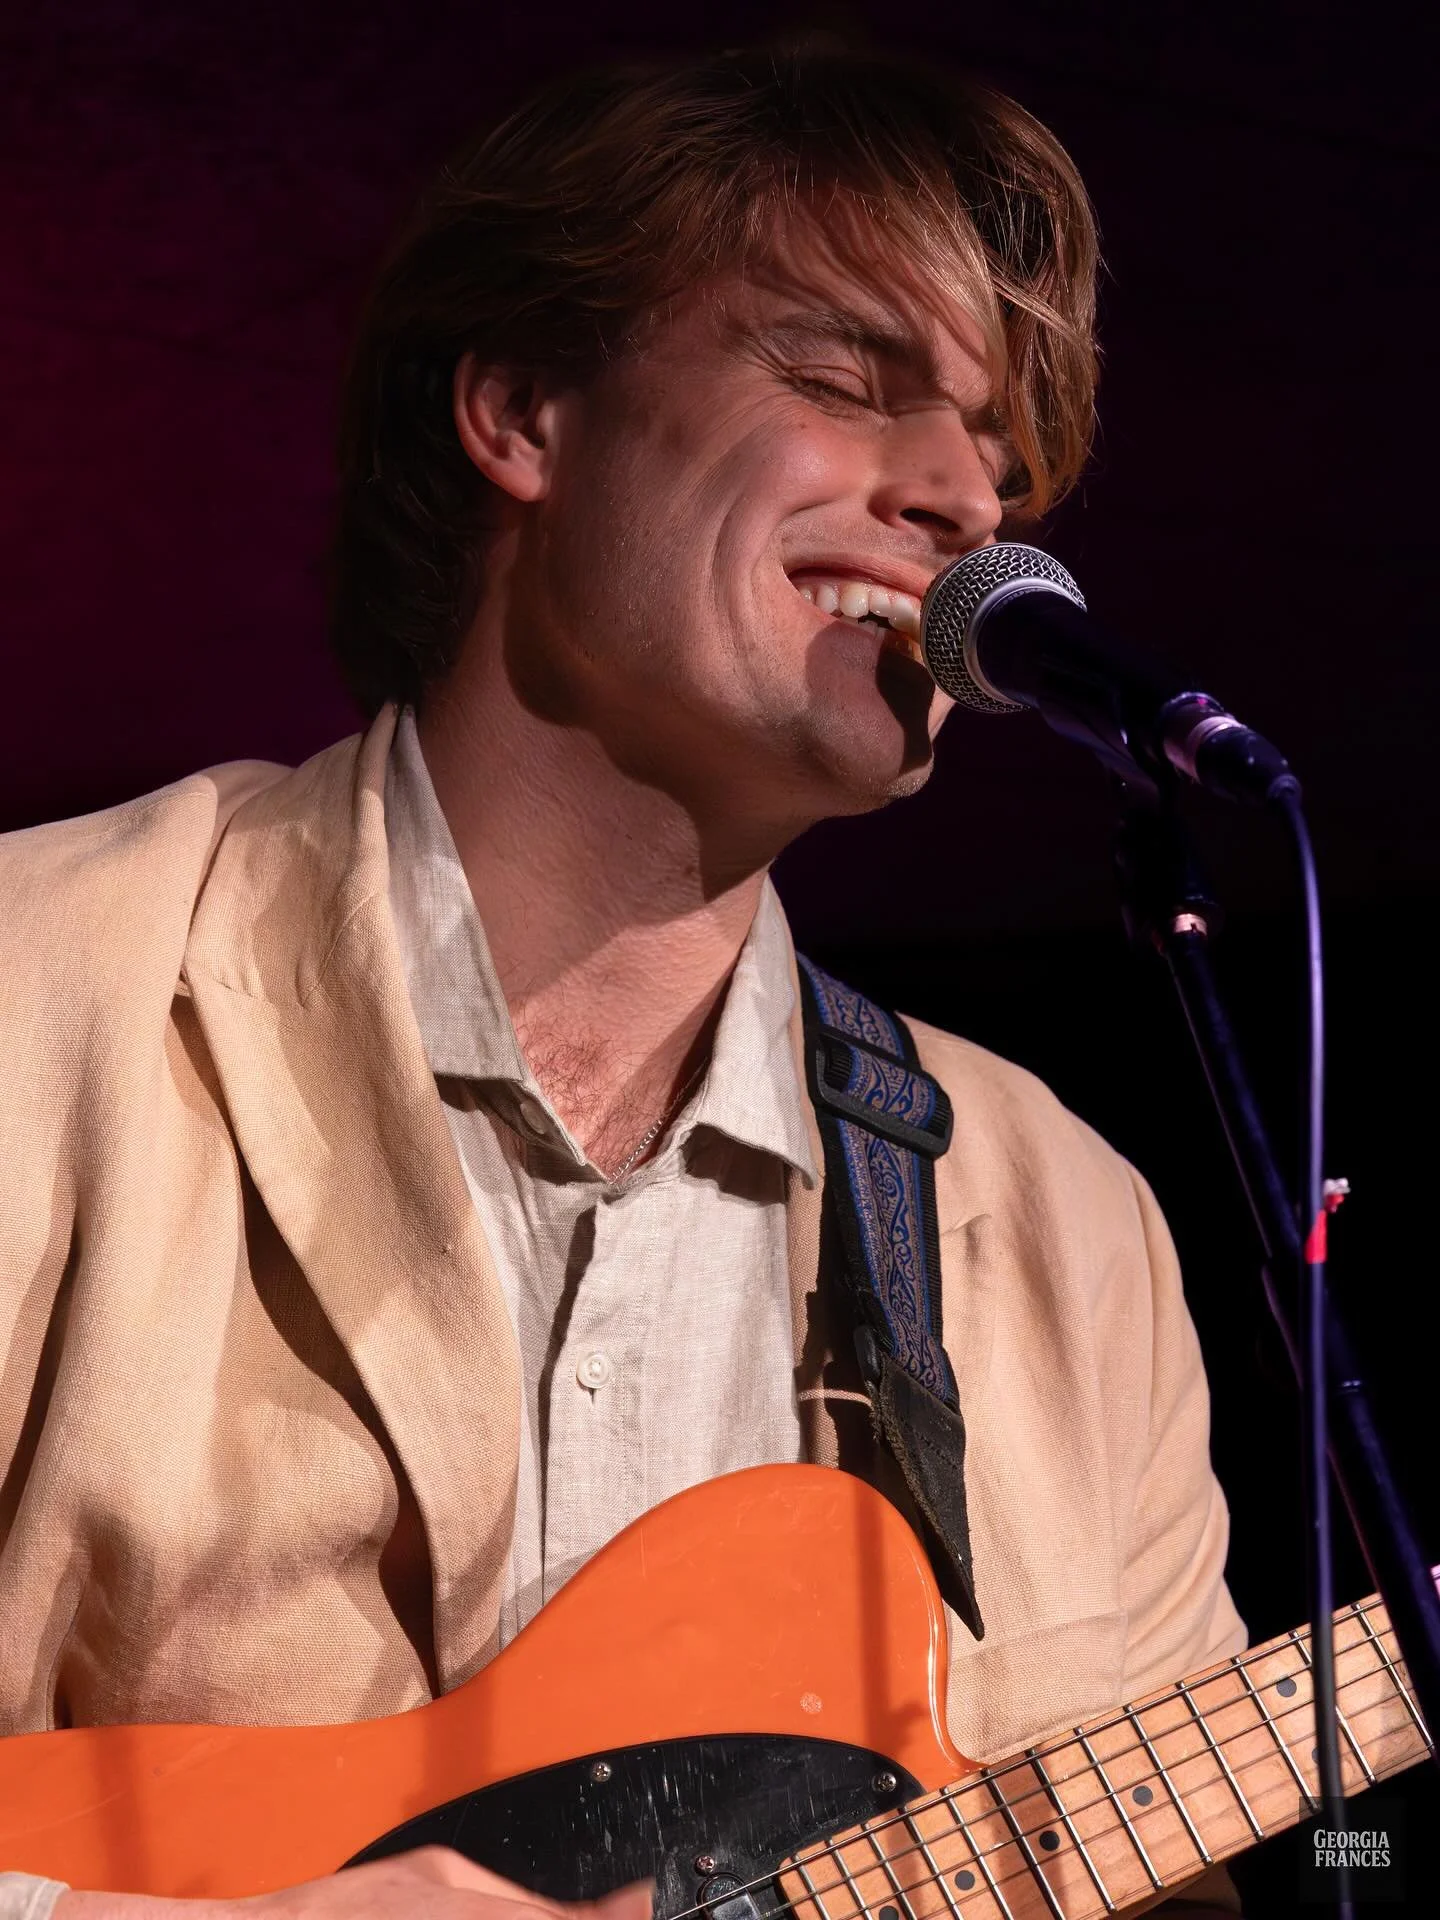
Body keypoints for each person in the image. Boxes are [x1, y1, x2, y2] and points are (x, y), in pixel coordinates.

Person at [0, 41, 1247, 1920]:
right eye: (842, 381)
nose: (965, 502)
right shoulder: (40, 999)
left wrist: (1366, 1838)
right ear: (520, 411)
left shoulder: (1065, 1225)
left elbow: (1267, 1848)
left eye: (1001, 458)